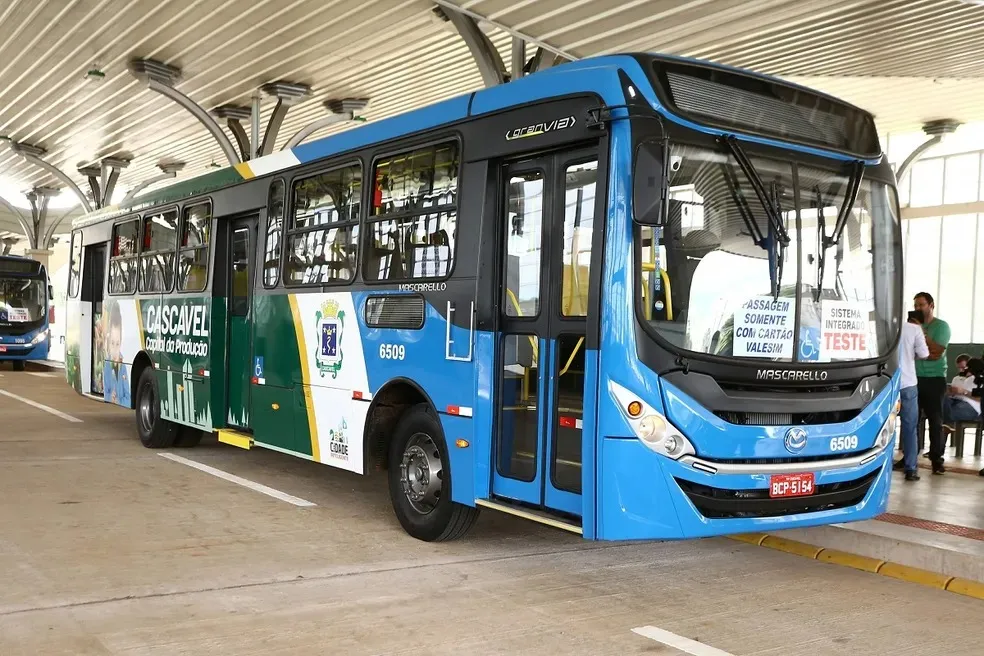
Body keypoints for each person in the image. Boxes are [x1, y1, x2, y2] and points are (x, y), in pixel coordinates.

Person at [913, 292, 950, 474]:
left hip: (935, 380)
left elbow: (936, 353)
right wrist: (926, 351)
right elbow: (918, 352)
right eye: (916, 306)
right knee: (912, 420)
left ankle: (937, 459)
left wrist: (922, 333)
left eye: (921, 305)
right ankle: (910, 457)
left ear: (931, 305)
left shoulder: (941, 326)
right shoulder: (911, 327)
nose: (918, 308)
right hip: (915, 378)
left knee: (935, 420)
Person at [894, 309, 929, 480]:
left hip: (887, 383)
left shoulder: (889, 327)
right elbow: (924, 354)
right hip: (908, 383)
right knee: (909, 427)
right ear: (919, 321)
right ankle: (911, 468)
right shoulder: (915, 329)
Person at [943, 353, 980, 429]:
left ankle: (948, 424)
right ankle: (948, 424)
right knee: (941, 400)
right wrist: (949, 391)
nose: (960, 370)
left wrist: (964, 392)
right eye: (958, 368)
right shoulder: (957, 378)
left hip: (970, 405)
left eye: (963, 368)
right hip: (953, 401)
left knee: (942, 415)